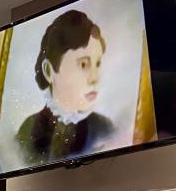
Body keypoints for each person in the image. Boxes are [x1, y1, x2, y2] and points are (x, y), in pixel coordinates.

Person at [16, 9, 113, 166]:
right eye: (83, 64)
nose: (95, 78)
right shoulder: (27, 129)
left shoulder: (104, 129)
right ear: (49, 71)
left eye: (98, 63)